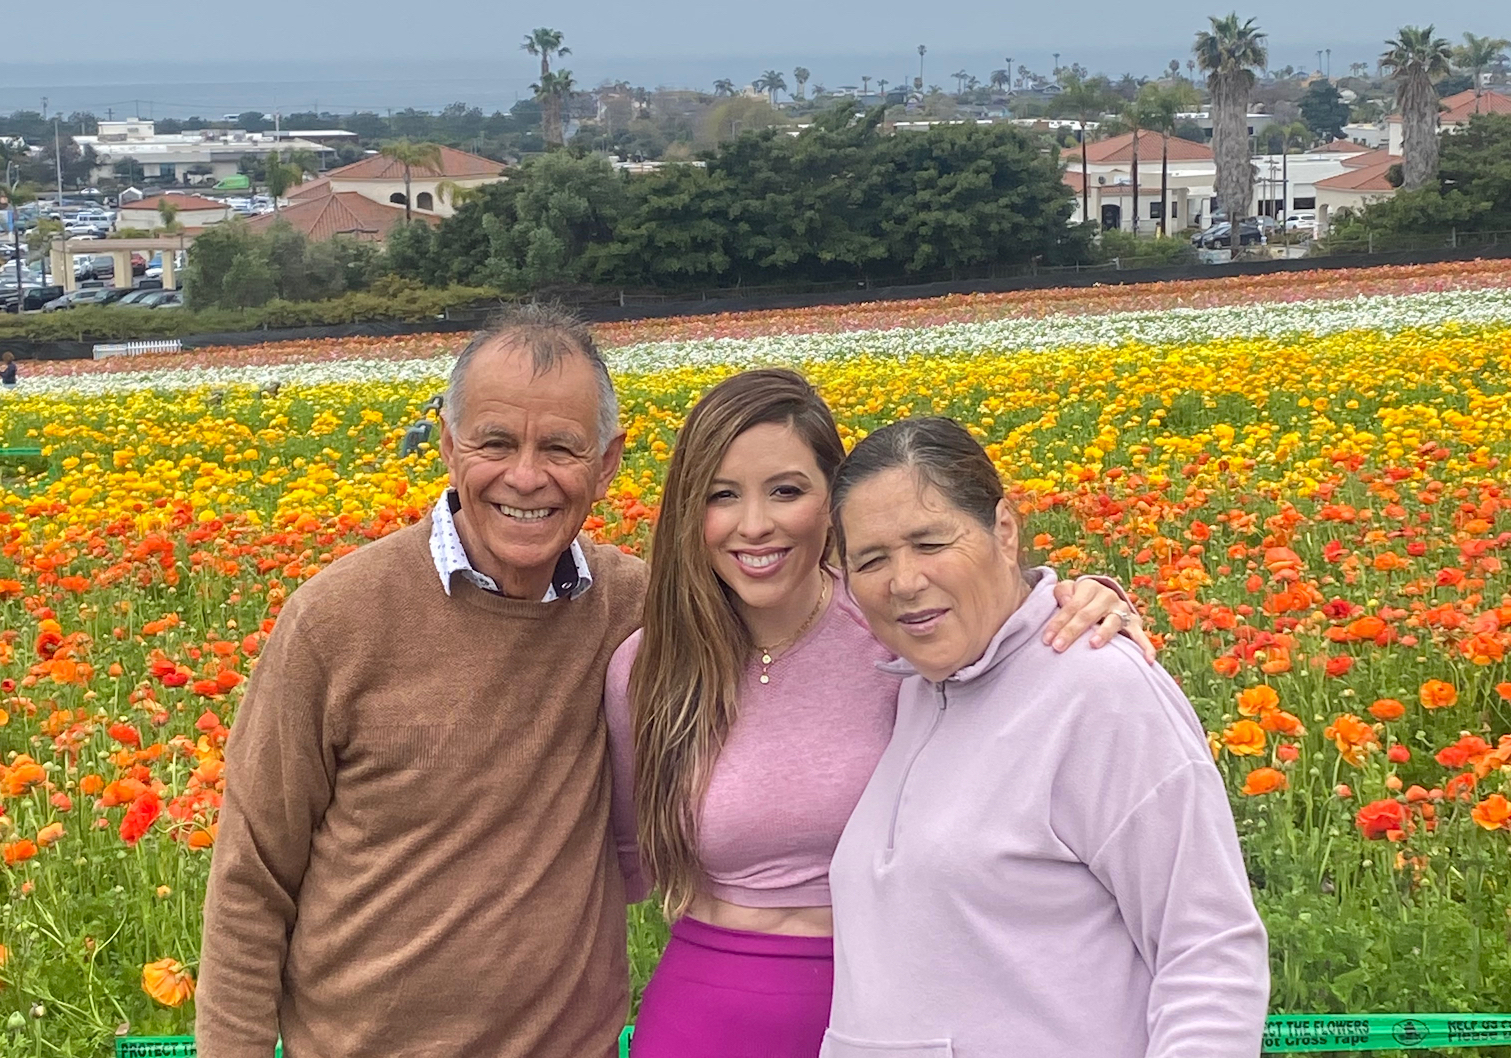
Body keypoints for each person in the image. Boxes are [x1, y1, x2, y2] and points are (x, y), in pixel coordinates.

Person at [604, 370, 1154, 1058]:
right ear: (689, 510)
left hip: (905, 1011)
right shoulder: (649, 667)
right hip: (706, 1015)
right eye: (721, 495)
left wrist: (1086, 598)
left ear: (832, 504)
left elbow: (1012, 652)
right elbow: (620, 864)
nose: (754, 524)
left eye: (786, 490)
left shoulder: (898, 629)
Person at [196, 308, 647, 1058]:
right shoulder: (336, 620)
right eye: (494, 443)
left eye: (561, 448)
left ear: (607, 463)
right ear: (446, 445)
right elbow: (252, 878)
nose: (526, 476)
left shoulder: (634, 609)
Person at [822, 417, 1269, 1058]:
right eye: (871, 559)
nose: (903, 581)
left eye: (929, 542)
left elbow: (1208, 951)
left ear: (1004, 529)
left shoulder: (1100, 690)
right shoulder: (913, 692)